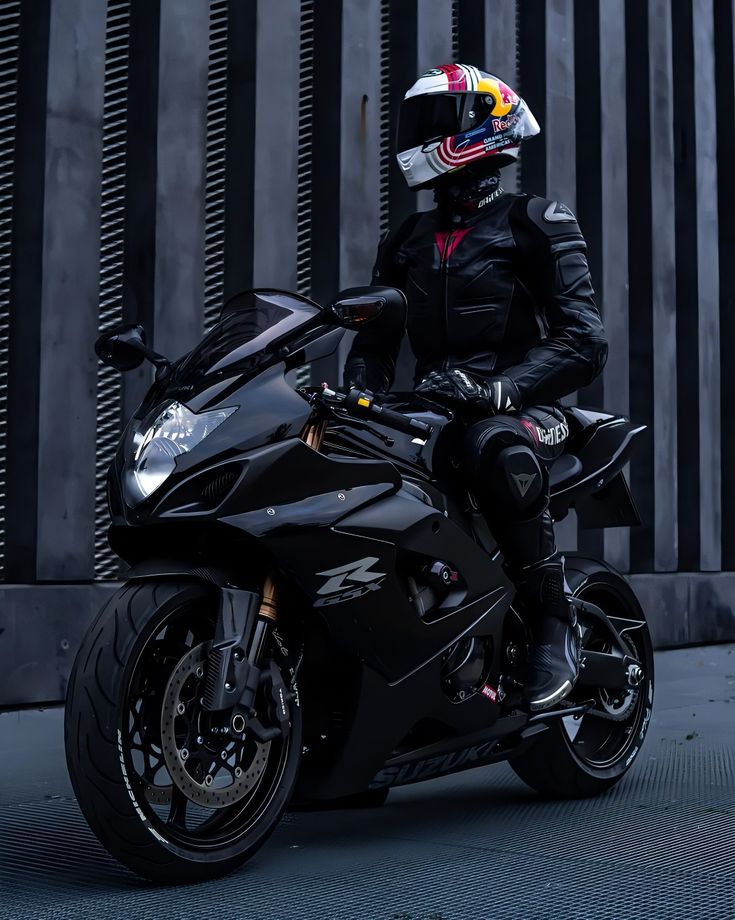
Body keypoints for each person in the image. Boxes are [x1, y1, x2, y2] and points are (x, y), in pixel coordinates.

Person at [343, 64, 607, 711]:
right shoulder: (405, 239)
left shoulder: (535, 219)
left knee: (495, 446)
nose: (418, 137)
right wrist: (355, 399)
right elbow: (374, 346)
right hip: (430, 409)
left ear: (483, 128)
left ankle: (552, 623)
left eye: (433, 124)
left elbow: (583, 339)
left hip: (522, 412)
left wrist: (502, 389)